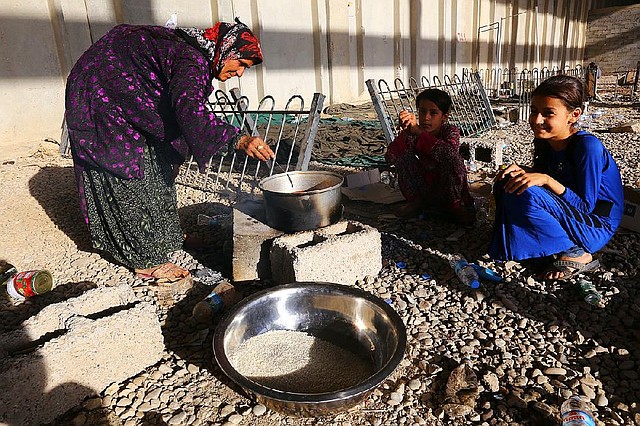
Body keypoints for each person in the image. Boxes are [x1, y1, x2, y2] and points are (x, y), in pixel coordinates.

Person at [65, 19, 275, 282]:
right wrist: (238, 139)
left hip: (124, 91)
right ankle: (146, 260)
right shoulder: (192, 61)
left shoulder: (196, 54)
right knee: (127, 172)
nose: (241, 73)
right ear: (227, 51)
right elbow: (190, 111)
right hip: (98, 97)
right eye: (240, 64)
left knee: (159, 163)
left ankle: (168, 236)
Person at [489, 75, 624, 280]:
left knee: (529, 192)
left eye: (548, 113)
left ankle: (576, 251)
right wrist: (523, 171)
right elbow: (550, 176)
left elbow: (585, 206)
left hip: (595, 225)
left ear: (574, 115)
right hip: (570, 212)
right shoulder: (546, 141)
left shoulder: (588, 147)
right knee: (508, 182)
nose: (537, 120)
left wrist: (546, 179)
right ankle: (542, 244)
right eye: (534, 111)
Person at [384, 88, 475, 223]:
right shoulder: (414, 132)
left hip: (448, 189)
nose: (426, 118)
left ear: (444, 116)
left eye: (433, 113)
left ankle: (456, 208)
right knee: (404, 156)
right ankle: (415, 203)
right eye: (422, 111)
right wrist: (404, 133)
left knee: (454, 161)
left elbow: (449, 155)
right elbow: (391, 157)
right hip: (425, 189)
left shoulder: (450, 131)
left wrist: (420, 133)